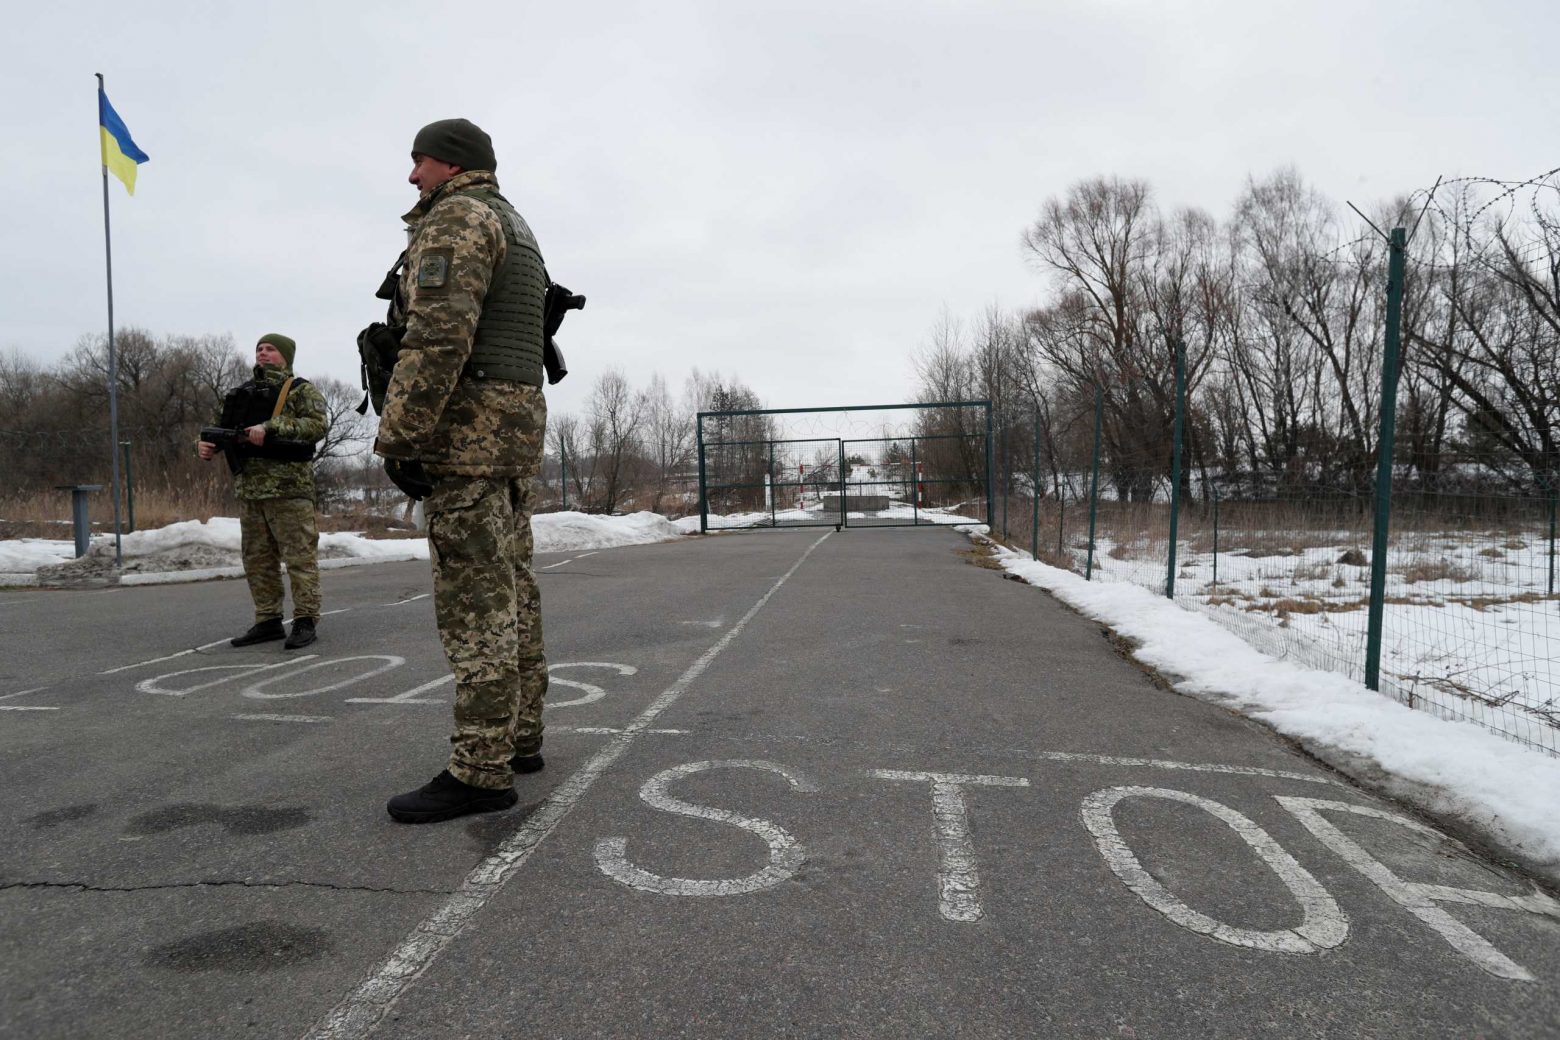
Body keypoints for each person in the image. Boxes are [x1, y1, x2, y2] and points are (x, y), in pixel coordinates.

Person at [375, 118, 550, 824]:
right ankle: (521, 736)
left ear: (449, 163)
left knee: (476, 600)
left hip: (469, 433)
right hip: (509, 429)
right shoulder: (514, 222)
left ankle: (480, 767)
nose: (412, 176)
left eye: (418, 162)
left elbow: (439, 333)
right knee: (513, 585)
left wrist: (401, 437)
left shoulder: (459, 219)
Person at [197, 334, 329, 650]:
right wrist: (203, 445)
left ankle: (305, 620)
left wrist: (271, 427)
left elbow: (317, 426)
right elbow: (220, 428)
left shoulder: (299, 390)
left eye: (270, 349)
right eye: (259, 348)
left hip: (289, 489)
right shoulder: (240, 393)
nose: (263, 353)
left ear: (286, 356)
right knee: (257, 560)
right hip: (251, 490)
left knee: (299, 556)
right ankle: (268, 620)